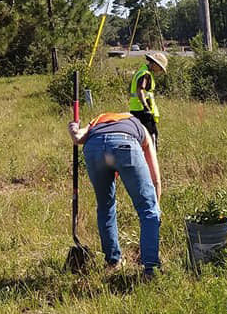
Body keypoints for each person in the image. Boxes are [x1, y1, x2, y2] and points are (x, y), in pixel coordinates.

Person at [67, 112, 162, 276]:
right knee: (148, 210)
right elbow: (156, 180)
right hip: (125, 146)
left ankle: (113, 262)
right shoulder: (142, 130)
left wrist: (73, 128)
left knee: (105, 206)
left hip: (94, 148)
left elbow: (78, 137)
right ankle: (151, 269)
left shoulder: (98, 119)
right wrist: (156, 207)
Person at [128, 51, 167, 150]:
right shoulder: (145, 74)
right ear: (155, 64)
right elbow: (140, 90)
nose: (160, 71)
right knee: (151, 135)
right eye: (160, 68)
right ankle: (152, 159)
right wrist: (146, 107)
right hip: (142, 111)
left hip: (136, 109)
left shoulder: (142, 70)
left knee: (140, 136)